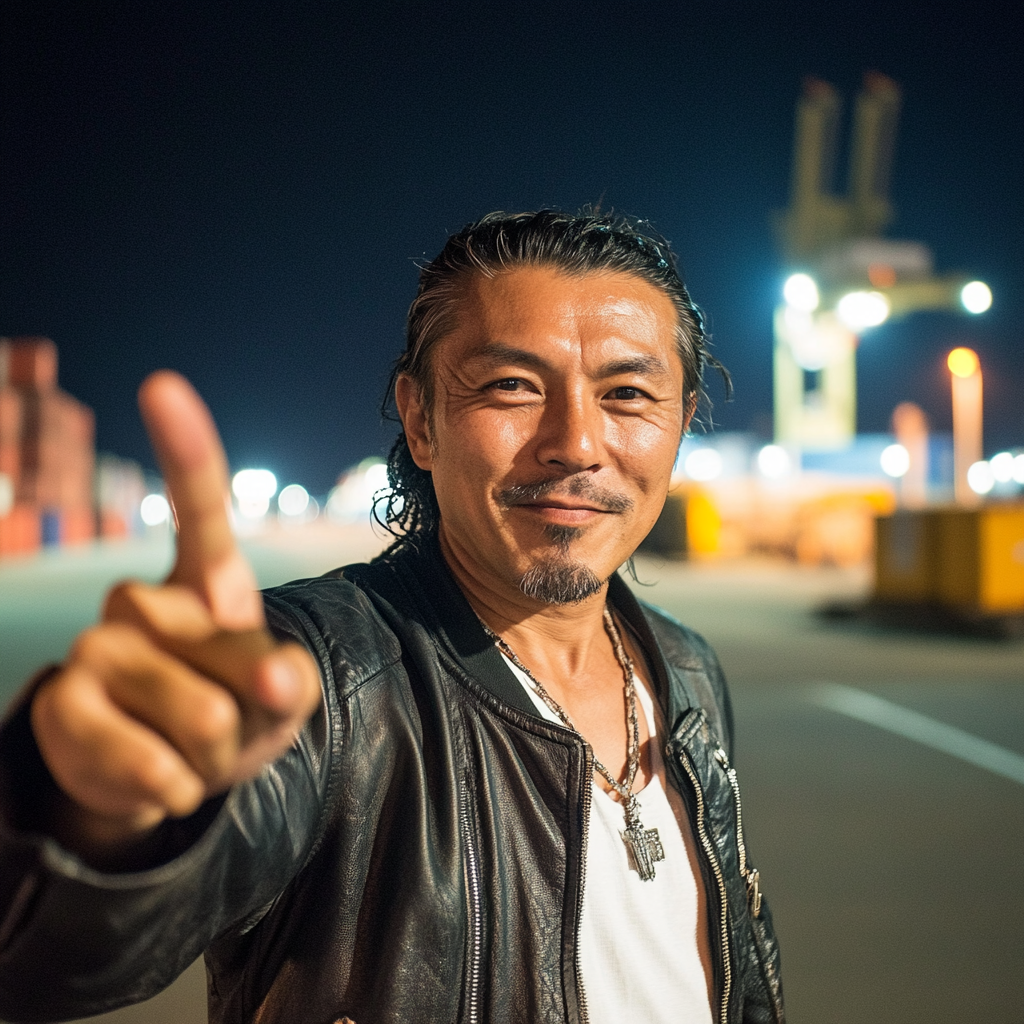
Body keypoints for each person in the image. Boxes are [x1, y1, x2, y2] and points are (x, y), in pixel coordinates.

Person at [0, 210, 784, 1023]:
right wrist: (88, 822)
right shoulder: (322, 681)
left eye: (626, 393)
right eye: (512, 386)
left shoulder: (687, 671)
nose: (576, 442)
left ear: (682, 422)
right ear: (419, 419)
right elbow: (54, 961)